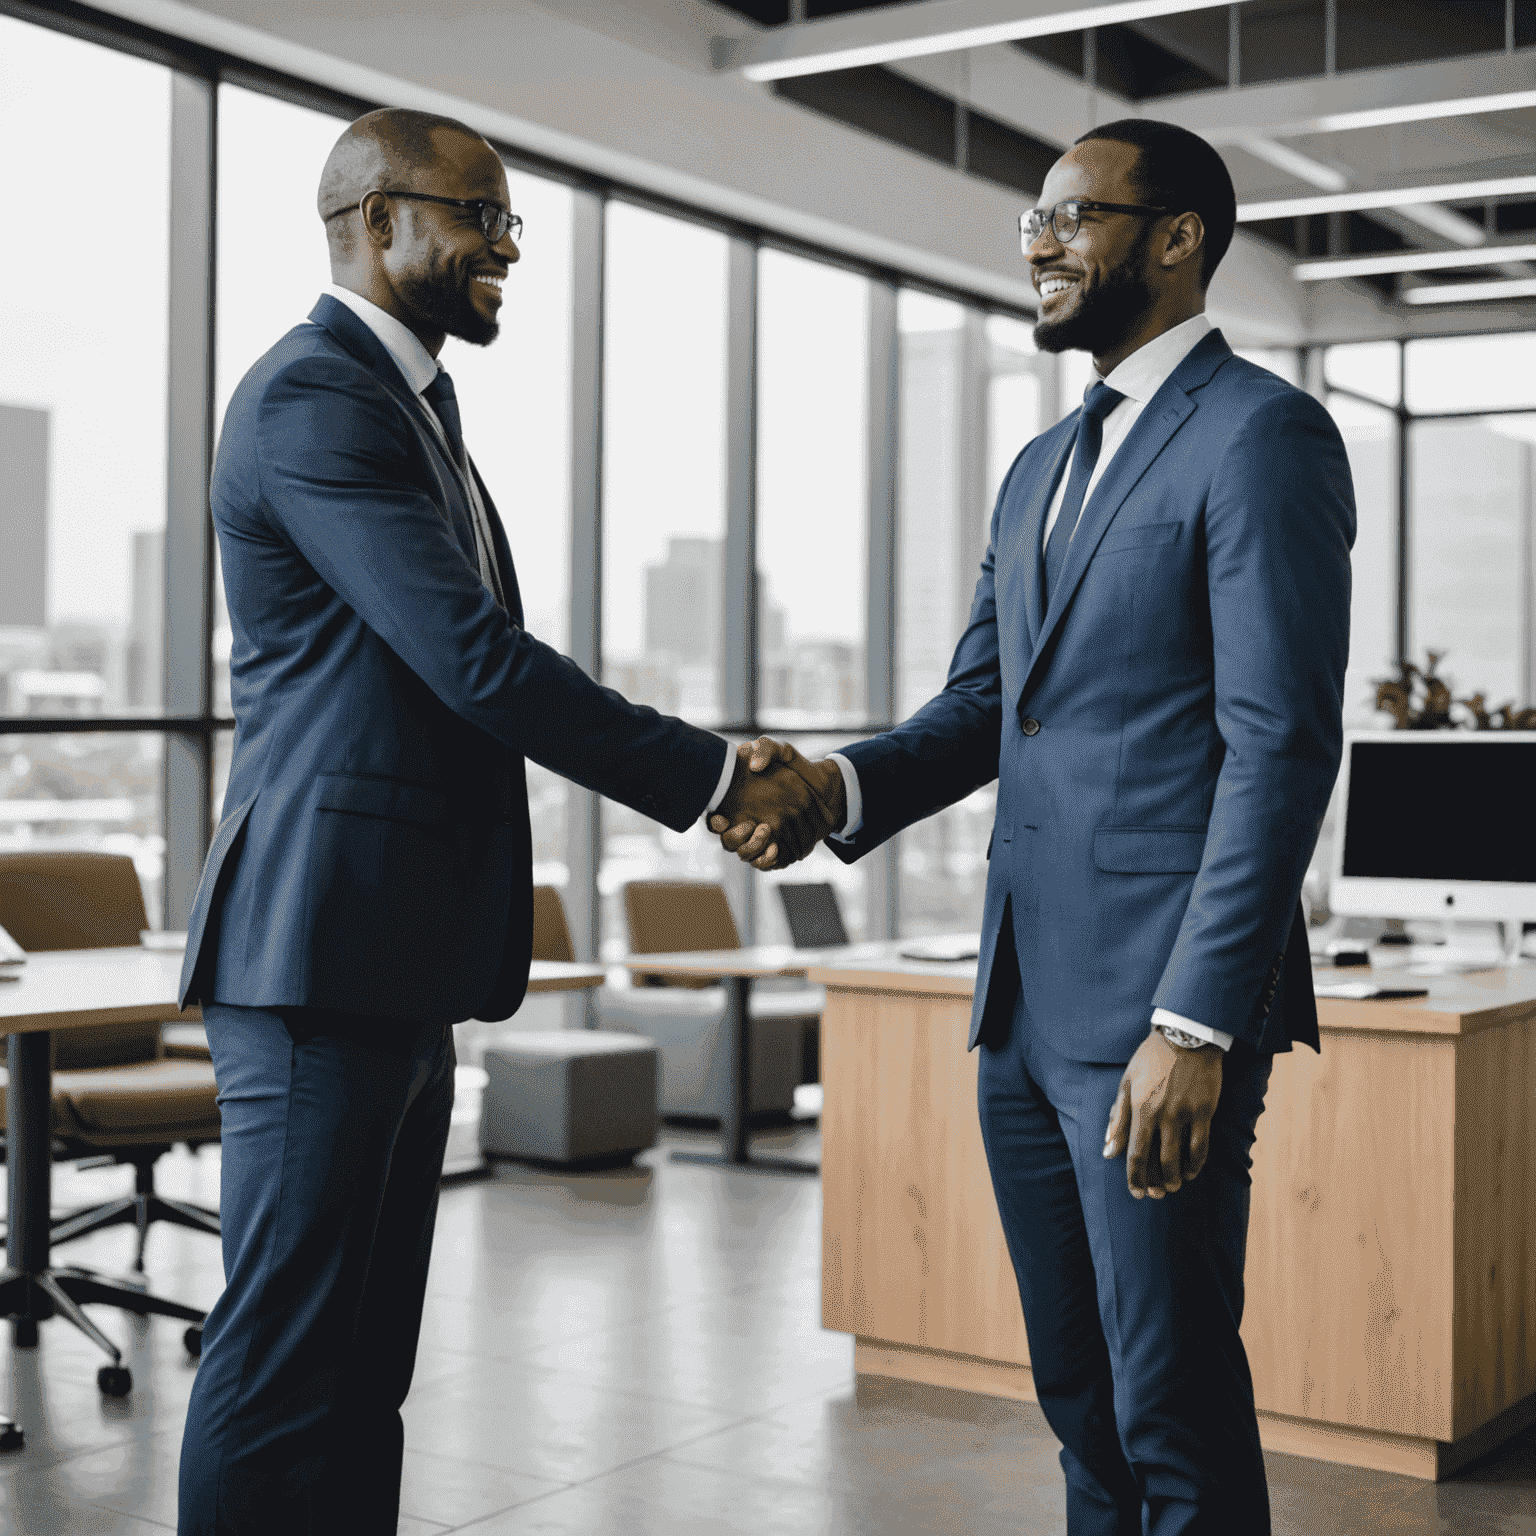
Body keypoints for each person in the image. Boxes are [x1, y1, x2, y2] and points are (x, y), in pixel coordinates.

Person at [174, 107, 829, 1536]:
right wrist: (717, 779)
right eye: (483, 218)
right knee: (287, 1357)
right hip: (312, 954)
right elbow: (474, 663)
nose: (505, 251)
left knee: (363, 1371)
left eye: (509, 222)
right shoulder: (315, 397)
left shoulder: (413, 406)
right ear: (379, 219)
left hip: (388, 959)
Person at [715, 119, 1354, 1533]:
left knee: (1168, 1397)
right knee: (1078, 1397)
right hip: (1018, 1003)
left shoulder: (1263, 437)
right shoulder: (1039, 470)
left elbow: (1280, 749)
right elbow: (985, 710)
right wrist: (830, 785)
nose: (1042, 241)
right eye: (1033, 220)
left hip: (1152, 1016)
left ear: (1179, 237)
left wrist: (1195, 1026)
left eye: (1076, 214)